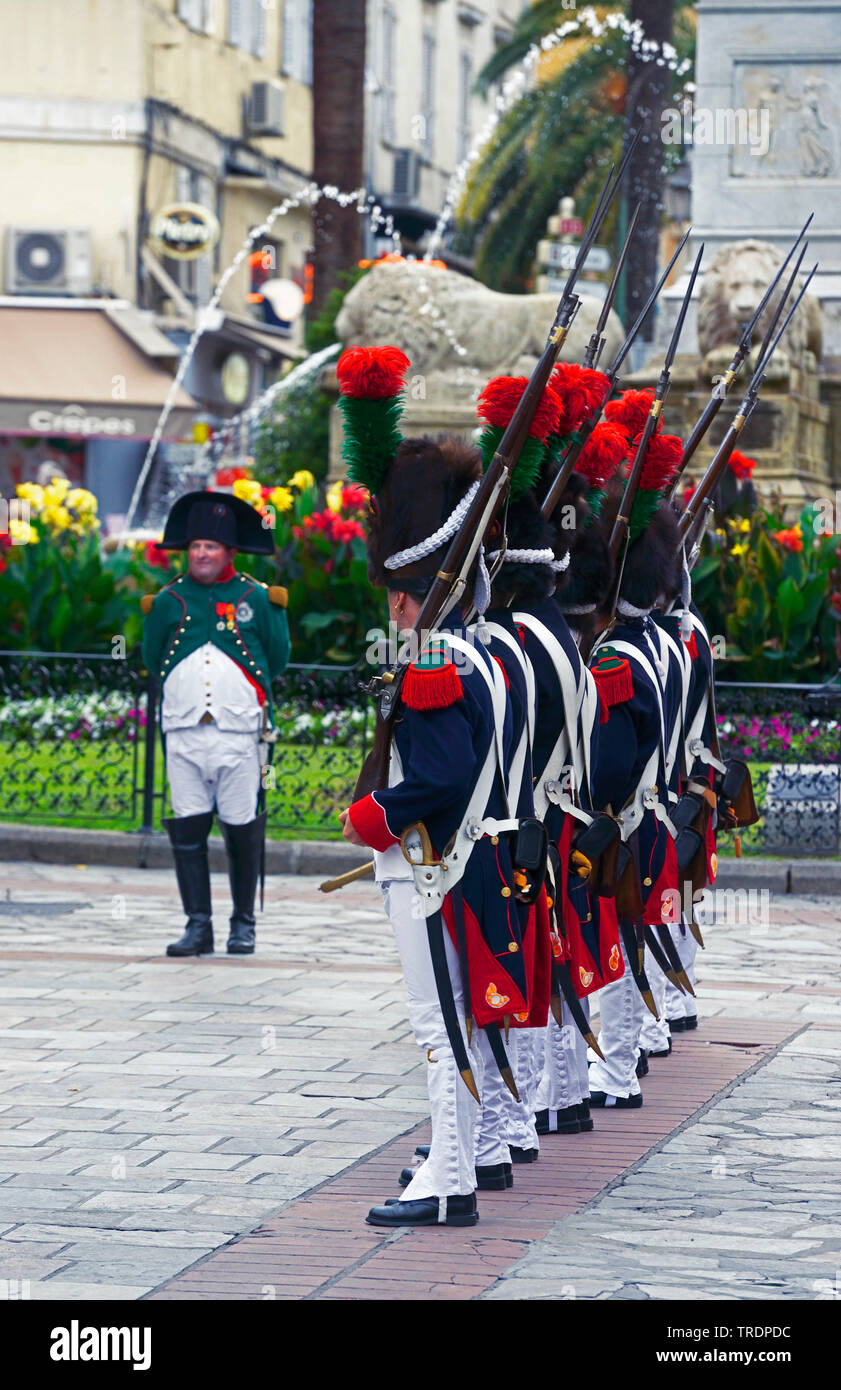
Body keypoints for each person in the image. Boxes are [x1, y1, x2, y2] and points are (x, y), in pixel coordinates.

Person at [336, 345, 535, 1229]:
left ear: (409, 597)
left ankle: (447, 1175)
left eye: (393, 598)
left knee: (438, 1021)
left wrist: (377, 812)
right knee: (467, 1017)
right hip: (482, 857)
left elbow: (444, 774)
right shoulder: (484, 653)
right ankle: (477, 1147)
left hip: (434, 867)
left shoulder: (431, 668)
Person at [141, 490, 290, 957]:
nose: (202, 554)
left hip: (240, 733)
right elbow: (150, 658)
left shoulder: (259, 599)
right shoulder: (166, 601)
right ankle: (197, 926)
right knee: (187, 831)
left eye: (212, 546)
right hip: (183, 732)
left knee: (242, 830)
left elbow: (279, 657)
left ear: (229, 552)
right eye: (196, 546)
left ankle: (242, 926)